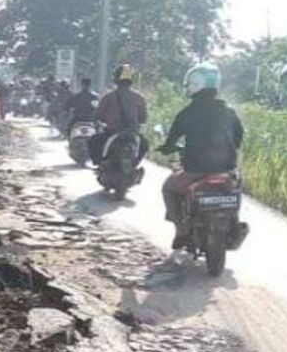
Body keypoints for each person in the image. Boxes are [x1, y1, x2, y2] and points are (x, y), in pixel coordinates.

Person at [157, 62, 244, 247]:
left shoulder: (187, 113)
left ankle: (181, 231)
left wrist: (166, 148)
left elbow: (171, 141)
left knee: (169, 189)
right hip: (225, 169)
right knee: (235, 187)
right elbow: (239, 137)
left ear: (195, 84)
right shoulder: (229, 111)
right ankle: (234, 223)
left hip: (195, 170)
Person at [91, 64, 148, 164]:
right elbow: (143, 118)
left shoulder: (108, 97)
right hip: (132, 133)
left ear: (116, 79)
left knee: (93, 141)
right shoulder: (139, 98)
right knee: (144, 144)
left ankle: (99, 165)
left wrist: (101, 121)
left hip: (112, 131)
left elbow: (98, 115)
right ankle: (134, 165)